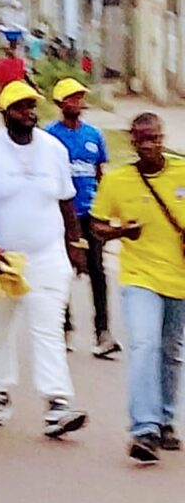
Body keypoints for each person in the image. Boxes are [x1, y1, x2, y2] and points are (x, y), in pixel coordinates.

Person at [0, 81, 90, 438]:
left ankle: (56, 403)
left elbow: (66, 201)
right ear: (4, 114)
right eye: (19, 108)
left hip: (47, 256)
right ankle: (0, 390)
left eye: (31, 106)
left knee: (48, 329)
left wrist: (74, 244)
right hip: (1, 260)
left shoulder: (53, 149)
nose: (28, 113)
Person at [91, 113, 185, 463]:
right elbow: (97, 224)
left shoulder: (182, 171)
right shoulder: (117, 181)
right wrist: (120, 233)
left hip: (178, 277)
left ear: (163, 138)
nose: (149, 145)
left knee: (172, 351)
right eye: (142, 139)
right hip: (138, 276)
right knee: (144, 344)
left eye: (155, 138)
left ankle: (166, 419)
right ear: (132, 141)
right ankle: (144, 428)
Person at [45, 78, 120, 358]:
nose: (77, 103)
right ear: (60, 104)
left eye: (79, 98)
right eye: (71, 98)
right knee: (62, 270)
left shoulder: (94, 135)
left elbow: (101, 173)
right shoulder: (50, 135)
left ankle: (103, 331)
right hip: (61, 214)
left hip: (90, 213)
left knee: (98, 272)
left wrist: (107, 209)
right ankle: (64, 327)